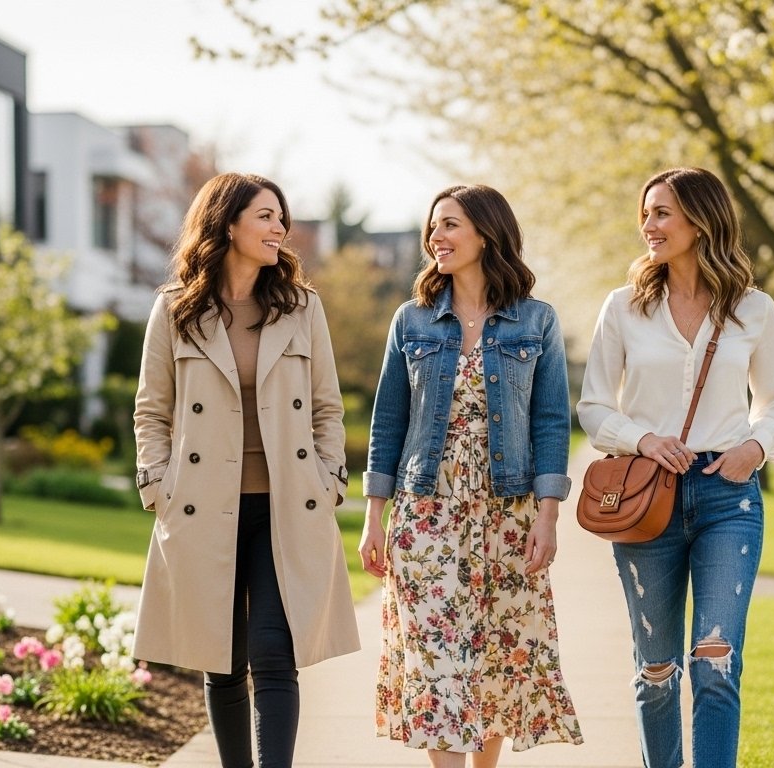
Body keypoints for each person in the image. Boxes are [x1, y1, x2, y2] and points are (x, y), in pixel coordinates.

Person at [131, 172, 359, 768]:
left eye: (281, 217)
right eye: (265, 216)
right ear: (226, 223)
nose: (279, 228)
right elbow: (152, 410)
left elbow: (327, 407)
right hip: (203, 503)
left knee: (273, 653)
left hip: (286, 503)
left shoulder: (301, 307)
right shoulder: (176, 309)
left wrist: (329, 476)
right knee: (223, 658)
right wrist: (158, 483)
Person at [359, 184, 583, 767]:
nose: (437, 237)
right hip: (426, 511)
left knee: (494, 659)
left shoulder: (536, 321)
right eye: (433, 226)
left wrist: (548, 516)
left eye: (451, 224)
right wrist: (373, 517)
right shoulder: (411, 321)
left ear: (487, 233)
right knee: (436, 658)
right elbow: (388, 421)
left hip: (507, 514)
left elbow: (552, 422)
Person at [577, 167, 774, 768]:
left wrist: (757, 446)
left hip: (729, 499)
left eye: (662, 212)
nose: (649, 225)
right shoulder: (624, 308)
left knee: (715, 662)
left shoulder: (754, 309)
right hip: (648, 503)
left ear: (701, 219)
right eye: (645, 213)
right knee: (657, 669)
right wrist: (642, 440)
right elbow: (592, 405)